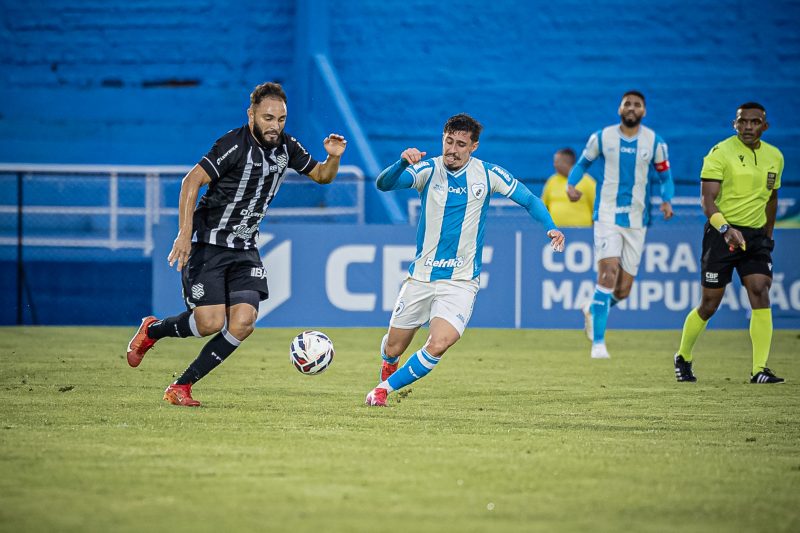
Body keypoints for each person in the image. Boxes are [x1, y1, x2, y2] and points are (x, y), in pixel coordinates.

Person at [126, 82, 347, 406]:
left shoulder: (287, 147)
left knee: (243, 323)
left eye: (281, 119)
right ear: (252, 114)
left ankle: (181, 386)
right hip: (208, 244)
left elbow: (322, 176)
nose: (275, 126)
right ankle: (153, 330)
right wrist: (184, 233)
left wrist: (333, 158)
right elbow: (191, 182)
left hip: (244, 249)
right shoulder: (233, 144)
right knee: (209, 324)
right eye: (268, 118)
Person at [364, 113, 565, 407]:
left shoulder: (488, 174)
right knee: (394, 346)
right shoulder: (428, 169)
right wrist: (402, 163)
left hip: (460, 281)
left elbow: (529, 199)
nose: (452, 150)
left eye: (461, 144)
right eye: (449, 141)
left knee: (440, 343)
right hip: (421, 277)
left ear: (474, 147)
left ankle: (383, 390)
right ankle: (388, 365)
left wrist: (550, 226)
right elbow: (384, 184)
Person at [673, 102, 784, 384]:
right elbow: (707, 201)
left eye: (755, 122)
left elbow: (772, 199)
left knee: (760, 290)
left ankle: (760, 368)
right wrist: (726, 228)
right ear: (735, 125)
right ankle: (683, 357)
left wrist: (768, 236)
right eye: (742, 122)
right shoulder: (720, 153)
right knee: (709, 304)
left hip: (756, 237)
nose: (748, 127)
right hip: (721, 233)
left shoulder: (775, 157)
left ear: (764, 126)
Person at [566, 90, 674, 359]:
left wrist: (667, 200)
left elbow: (665, 177)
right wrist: (571, 184)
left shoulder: (655, 142)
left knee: (623, 290)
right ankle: (599, 344)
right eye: (627, 103)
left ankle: (593, 308)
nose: (632, 108)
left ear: (644, 111)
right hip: (606, 216)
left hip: (638, 220)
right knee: (607, 275)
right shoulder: (602, 137)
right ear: (619, 108)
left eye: (637, 105)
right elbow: (583, 164)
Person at [541, 147, 596, 227]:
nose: (554, 165)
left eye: (557, 162)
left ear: (567, 163)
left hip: (582, 234)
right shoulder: (551, 181)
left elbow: (597, 209)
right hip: (555, 234)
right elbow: (543, 207)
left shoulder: (587, 181)